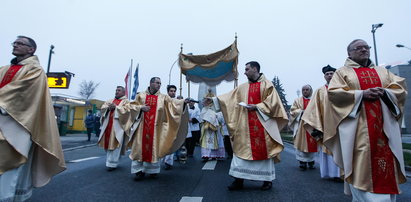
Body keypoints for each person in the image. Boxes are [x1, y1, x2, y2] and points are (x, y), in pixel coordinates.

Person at [324, 39, 407, 201]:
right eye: (358, 48)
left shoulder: (383, 72)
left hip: (385, 129)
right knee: (360, 162)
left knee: (387, 160)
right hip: (358, 129)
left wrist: (385, 92)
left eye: (366, 47)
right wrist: (361, 94)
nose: (364, 50)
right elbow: (334, 94)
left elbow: (400, 89)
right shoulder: (342, 73)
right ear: (349, 53)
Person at [0, 36, 66, 201]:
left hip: (19, 123)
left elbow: (23, 91)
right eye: (14, 42)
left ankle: (7, 198)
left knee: (12, 162)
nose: (15, 45)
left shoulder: (35, 71)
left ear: (31, 49)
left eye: (20, 43)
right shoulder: (4, 69)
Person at [210, 61, 288, 191]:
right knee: (240, 152)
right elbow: (229, 98)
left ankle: (266, 180)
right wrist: (214, 100)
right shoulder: (242, 87)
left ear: (255, 69)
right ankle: (238, 180)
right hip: (244, 127)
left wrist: (257, 107)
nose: (245, 72)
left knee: (264, 153)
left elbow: (273, 104)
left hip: (263, 126)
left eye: (247, 69)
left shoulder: (267, 85)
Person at [128, 77, 188, 180]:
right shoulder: (140, 96)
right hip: (141, 128)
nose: (159, 85)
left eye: (160, 83)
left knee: (154, 148)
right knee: (139, 148)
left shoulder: (163, 97)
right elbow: (131, 107)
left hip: (156, 129)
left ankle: (152, 170)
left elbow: (173, 105)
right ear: (151, 83)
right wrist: (140, 108)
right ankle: (138, 171)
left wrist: (183, 102)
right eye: (157, 83)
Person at [301, 65, 341, 179]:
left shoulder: (343, 87)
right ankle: (331, 173)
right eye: (327, 74)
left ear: (335, 74)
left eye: (331, 73)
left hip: (341, 123)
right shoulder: (319, 91)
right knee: (328, 147)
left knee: (342, 148)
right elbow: (313, 109)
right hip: (325, 125)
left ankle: (342, 173)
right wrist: (316, 126)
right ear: (324, 76)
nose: (329, 75)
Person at [98, 86, 136, 171]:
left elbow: (127, 111)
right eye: (116, 90)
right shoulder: (110, 100)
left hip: (118, 128)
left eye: (119, 90)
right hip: (108, 126)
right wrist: (108, 108)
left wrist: (116, 108)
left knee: (116, 145)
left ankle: (112, 163)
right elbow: (103, 108)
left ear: (123, 92)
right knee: (107, 145)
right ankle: (110, 161)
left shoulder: (126, 102)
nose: (117, 92)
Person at [289, 85, 318, 170]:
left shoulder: (315, 100)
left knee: (312, 143)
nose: (305, 91)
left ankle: (311, 162)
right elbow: (292, 111)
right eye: (303, 90)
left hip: (312, 125)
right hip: (300, 125)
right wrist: (301, 112)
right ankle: (302, 162)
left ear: (311, 90)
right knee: (300, 143)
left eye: (307, 90)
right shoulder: (297, 100)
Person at [199, 92, 225, 161]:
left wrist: (214, 116)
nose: (208, 101)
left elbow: (221, 117)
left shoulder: (217, 108)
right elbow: (201, 117)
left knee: (217, 141)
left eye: (209, 100)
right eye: (207, 100)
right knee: (207, 142)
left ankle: (215, 155)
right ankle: (206, 155)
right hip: (207, 128)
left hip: (215, 127)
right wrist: (206, 119)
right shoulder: (204, 108)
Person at [163, 85, 177, 170]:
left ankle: (168, 162)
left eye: (174, 91)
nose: (173, 92)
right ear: (168, 92)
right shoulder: (163, 100)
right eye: (171, 91)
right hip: (163, 125)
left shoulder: (176, 101)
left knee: (171, 144)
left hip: (172, 125)